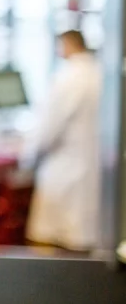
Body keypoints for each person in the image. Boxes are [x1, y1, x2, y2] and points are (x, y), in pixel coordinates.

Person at [20, 30, 102, 251]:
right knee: (81, 240)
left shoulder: (68, 77)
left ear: (66, 44)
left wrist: (27, 158)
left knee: (54, 241)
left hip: (64, 170)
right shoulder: (99, 73)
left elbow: (48, 128)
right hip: (90, 168)